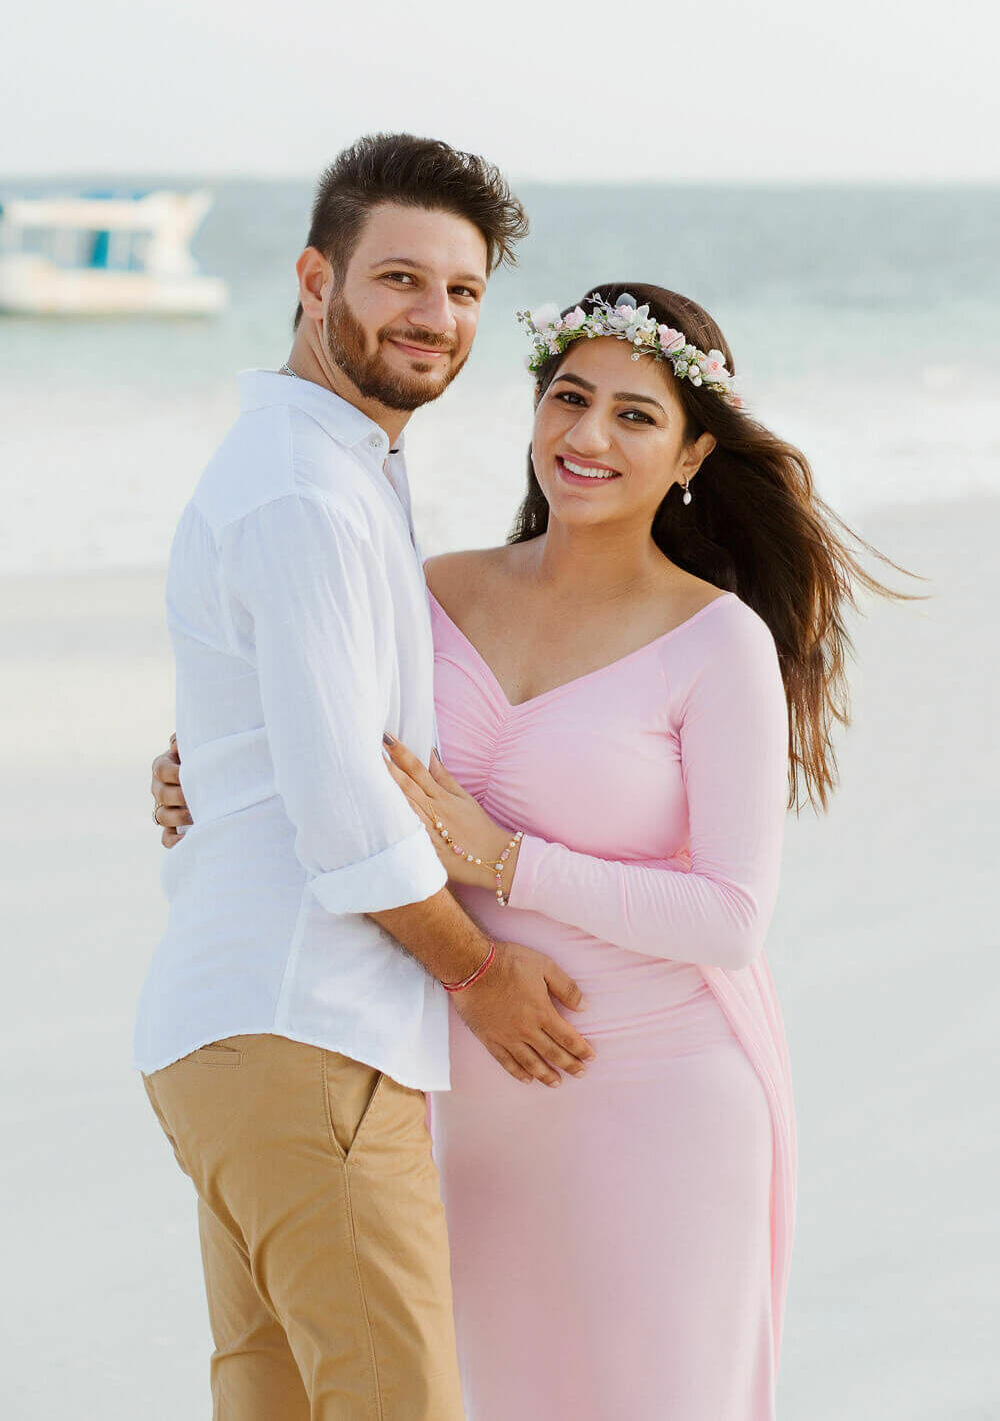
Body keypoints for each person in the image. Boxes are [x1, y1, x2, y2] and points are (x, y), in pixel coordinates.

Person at [154, 284, 906, 1418]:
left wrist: (506, 860)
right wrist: (195, 781)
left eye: (635, 415)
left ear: (692, 450)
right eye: (567, 398)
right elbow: (308, 733)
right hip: (469, 1088)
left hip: (659, 1092)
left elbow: (728, 918)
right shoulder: (430, 592)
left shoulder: (719, 643)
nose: (587, 438)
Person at [137, 132, 595, 1421]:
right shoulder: (306, 491)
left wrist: (201, 779)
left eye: (460, 291)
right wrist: (480, 971)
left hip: (248, 1033)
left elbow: (271, 738)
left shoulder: (343, 471)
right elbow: (345, 801)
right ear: (311, 276)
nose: (432, 317)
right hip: (305, 1028)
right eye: (399, 279)